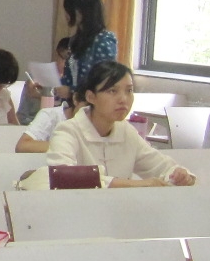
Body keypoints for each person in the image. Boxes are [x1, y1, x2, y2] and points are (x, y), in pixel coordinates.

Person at [47, 61, 195, 187]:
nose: (123, 99)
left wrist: (179, 174)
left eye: (129, 90)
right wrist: (135, 185)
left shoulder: (126, 132)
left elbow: (160, 165)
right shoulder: (68, 131)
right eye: (112, 91)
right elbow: (62, 176)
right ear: (91, 97)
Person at [57, 0, 117, 102]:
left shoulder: (103, 41)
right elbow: (69, 77)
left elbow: (104, 82)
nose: (66, 14)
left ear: (82, 10)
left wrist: (71, 91)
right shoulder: (74, 41)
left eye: (69, 9)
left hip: (92, 107)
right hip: (72, 105)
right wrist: (53, 86)